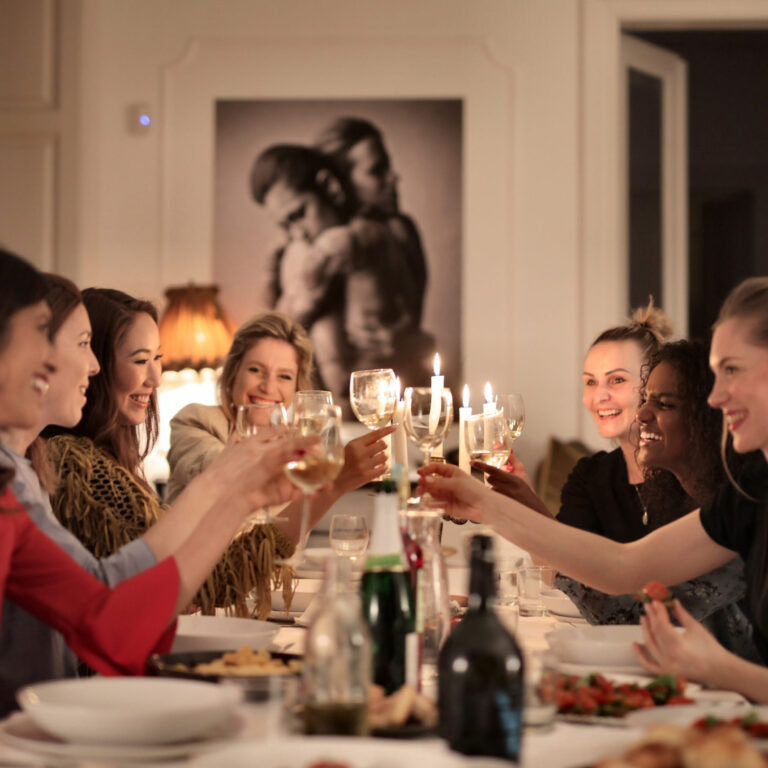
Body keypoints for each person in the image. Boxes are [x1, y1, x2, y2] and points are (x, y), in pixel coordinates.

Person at [418, 277, 768, 702]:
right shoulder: (749, 489)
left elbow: (627, 604)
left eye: (731, 370)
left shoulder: (731, 483)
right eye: (715, 375)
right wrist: (487, 505)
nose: (715, 397)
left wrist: (720, 669)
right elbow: (625, 567)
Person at [0, 249, 311, 709]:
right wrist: (224, 487)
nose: (90, 367)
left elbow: (105, 617)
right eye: (42, 342)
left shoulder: (14, 481)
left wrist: (236, 498)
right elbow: (112, 608)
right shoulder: (58, 469)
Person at [45, 290, 299, 618]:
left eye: (157, 358)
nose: (155, 378)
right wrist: (231, 477)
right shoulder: (76, 464)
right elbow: (200, 584)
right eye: (139, 360)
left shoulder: (110, 461)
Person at [166, 310, 394, 540]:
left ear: (297, 389)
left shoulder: (299, 447)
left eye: (284, 376)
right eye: (255, 370)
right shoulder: (196, 420)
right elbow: (214, 472)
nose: (268, 387)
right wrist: (334, 474)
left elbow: (279, 545)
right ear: (234, 374)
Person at [251, 144, 432, 408]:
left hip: (380, 417)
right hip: (346, 424)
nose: (298, 233)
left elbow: (273, 332)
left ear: (330, 186)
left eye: (299, 214)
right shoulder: (394, 231)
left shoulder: (352, 240)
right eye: (286, 225)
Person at [314, 116, 428, 326]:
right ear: (333, 185)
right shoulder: (328, 246)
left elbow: (413, 323)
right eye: (377, 170)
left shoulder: (402, 231)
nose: (393, 178)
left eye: (389, 166)